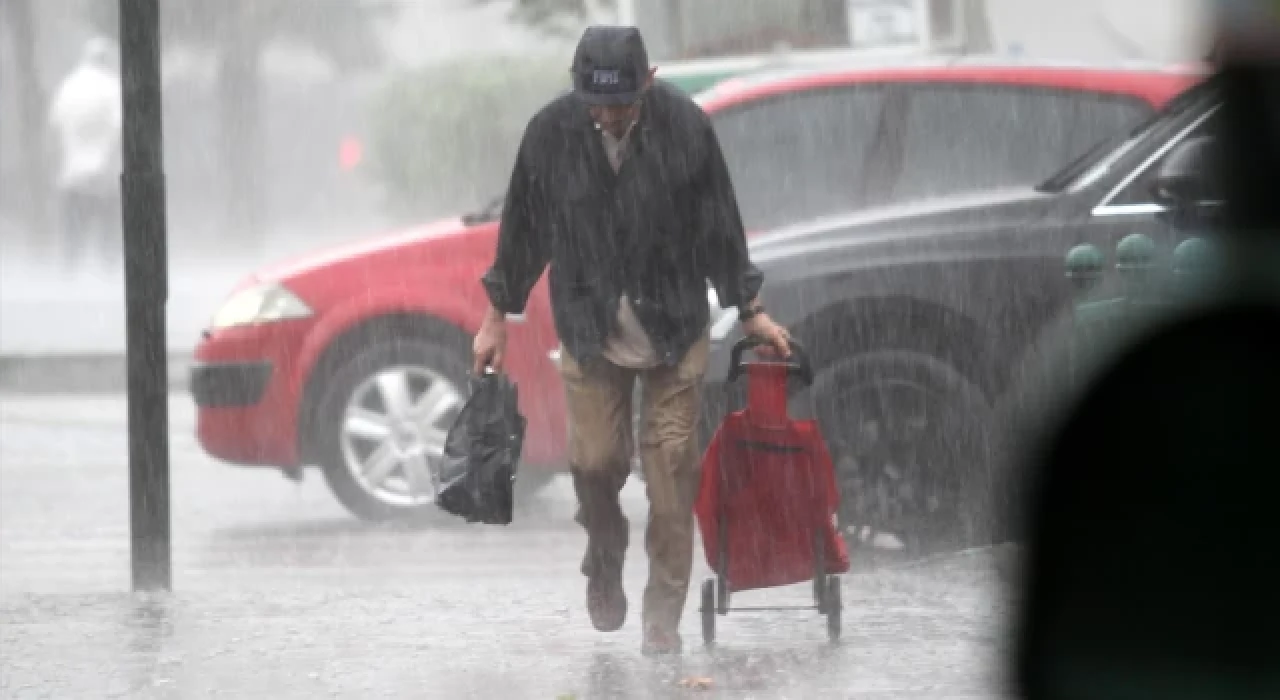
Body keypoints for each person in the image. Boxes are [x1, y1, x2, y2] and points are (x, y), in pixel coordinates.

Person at [473, 25, 791, 655]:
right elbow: (523, 231)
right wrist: (495, 316)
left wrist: (748, 308)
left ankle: (662, 619)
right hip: (590, 327)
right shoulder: (551, 134)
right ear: (578, 90)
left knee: (671, 470)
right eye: (597, 103)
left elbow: (720, 225)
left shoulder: (686, 128)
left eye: (622, 104)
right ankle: (606, 555)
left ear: (648, 82)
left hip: (673, 324)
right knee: (594, 465)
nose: (610, 116)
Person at [48, 37, 123, 271]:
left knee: (73, 228)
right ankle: (109, 268)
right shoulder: (111, 86)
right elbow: (120, 126)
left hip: (72, 171)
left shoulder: (68, 85)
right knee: (108, 229)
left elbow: (55, 122)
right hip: (103, 170)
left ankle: (70, 268)